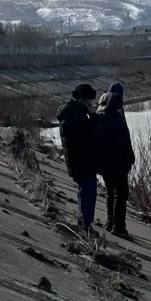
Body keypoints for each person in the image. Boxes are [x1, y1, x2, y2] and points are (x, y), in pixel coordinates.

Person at [57, 84, 100, 234]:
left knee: (84, 192)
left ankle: (85, 223)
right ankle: (85, 226)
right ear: (84, 100)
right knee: (88, 193)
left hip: (77, 161)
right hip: (82, 161)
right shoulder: (76, 114)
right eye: (90, 101)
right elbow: (88, 137)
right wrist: (93, 118)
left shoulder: (70, 111)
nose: (92, 104)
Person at [97, 91, 135, 237]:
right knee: (120, 194)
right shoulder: (119, 122)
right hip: (118, 164)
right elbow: (125, 145)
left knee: (109, 192)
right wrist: (130, 160)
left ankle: (109, 222)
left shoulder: (100, 117)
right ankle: (119, 227)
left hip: (104, 163)